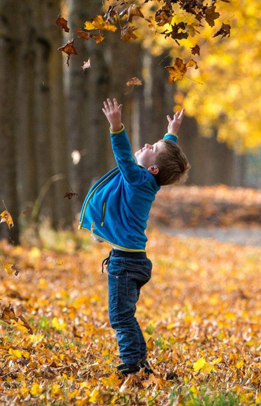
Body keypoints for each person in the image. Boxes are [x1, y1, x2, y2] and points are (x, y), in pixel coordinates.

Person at [78, 98, 190, 376]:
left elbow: (125, 157)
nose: (147, 145)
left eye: (151, 148)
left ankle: (131, 366)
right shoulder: (147, 181)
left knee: (120, 317)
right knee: (125, 316)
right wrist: (170, 134)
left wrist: (116, 127)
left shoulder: (138, 179)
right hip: (132, 261)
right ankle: (140, 364)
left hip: (126, 264)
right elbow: (161, 159)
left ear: (151, 169)